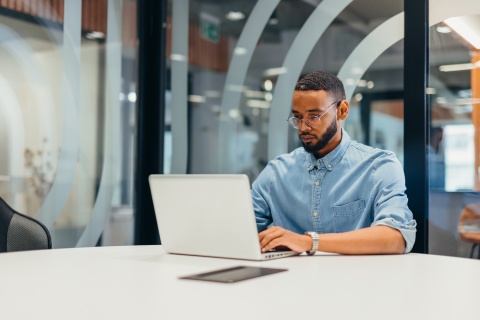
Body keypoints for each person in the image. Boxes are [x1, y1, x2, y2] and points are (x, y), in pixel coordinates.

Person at [251, 71, 416, 255]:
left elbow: (396, 238)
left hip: (358, 280)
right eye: (298, 117)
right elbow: (239, 229)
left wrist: (307, 242)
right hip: (290, 281)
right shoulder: (276, 173)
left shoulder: (379, 166)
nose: (303, 127)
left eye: (314, 117)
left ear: (342, 110)